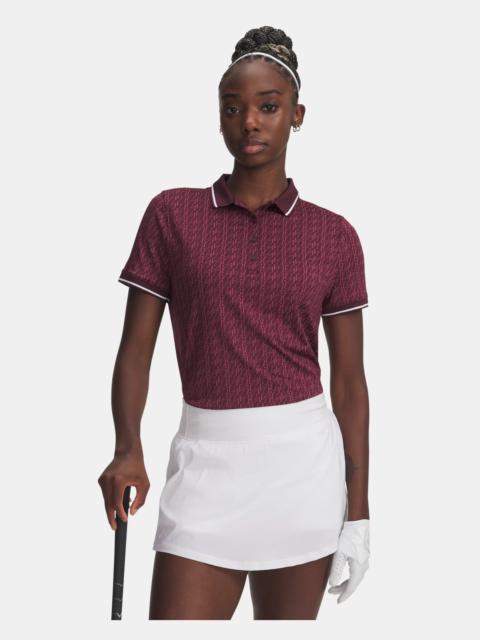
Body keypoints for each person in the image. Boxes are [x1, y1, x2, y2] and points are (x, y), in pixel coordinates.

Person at [98, 25, 371, 620]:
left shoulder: (334, 236)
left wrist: (358, 512)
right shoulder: (172, 215)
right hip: (204, 469)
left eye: (268, 107)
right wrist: (127, 447)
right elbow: (135, 350)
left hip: (303, 477)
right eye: (232, 107)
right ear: (218, 117)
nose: (249, 121)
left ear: (297, 115)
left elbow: (350, 382)